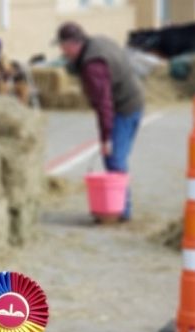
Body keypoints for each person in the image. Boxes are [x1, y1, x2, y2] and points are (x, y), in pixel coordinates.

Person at [56, 21, 144, 221]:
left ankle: (121, 210)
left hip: (124, 108)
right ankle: (118, 206)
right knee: (117, 157)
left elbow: (104, 104)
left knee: (114, 158)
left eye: (63, 47)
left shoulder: (92, 65)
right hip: (135, 99)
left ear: (72, 44)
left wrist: (105, 138)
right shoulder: (98, 41)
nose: (63, 52)